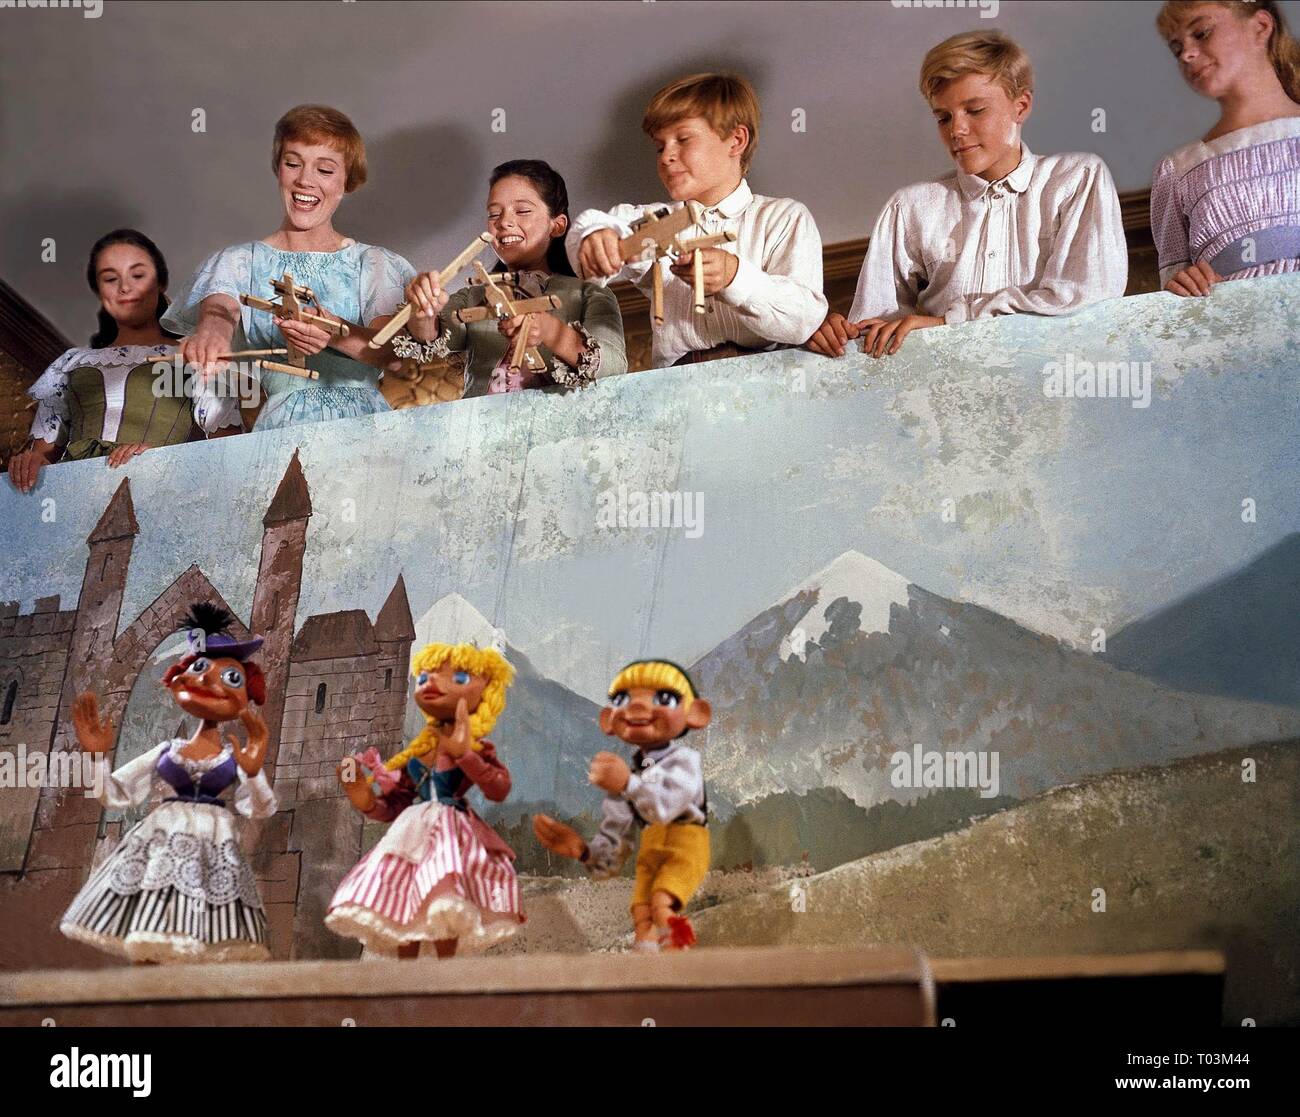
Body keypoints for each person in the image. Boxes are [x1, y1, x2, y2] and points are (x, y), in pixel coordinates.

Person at [810, 31, 1127, 359]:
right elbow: (875, 331)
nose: (955, 130)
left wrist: (950, 321)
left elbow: (1087, 301)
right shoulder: (910, 207)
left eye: (975, 110)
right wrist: (833, 330)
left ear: (1021, 106)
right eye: (943, 117)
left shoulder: (1077, 178)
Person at [162, 104, 415, 430]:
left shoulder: (375, 263)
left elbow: (393, 355)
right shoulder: (239, 261)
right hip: (281, 428)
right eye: (293, 164)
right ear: (278, 169)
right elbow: (218, 313)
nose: (305, 181)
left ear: (347, 181)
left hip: (367, 428)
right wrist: (211, 337)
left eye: (325, 170)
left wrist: (335, 334)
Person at [59, 603, 276, 964]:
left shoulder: (232, 757)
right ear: (179, 678)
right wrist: (97, 756)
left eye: (232, 678)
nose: (208, 680)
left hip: (212, 851)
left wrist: (252, 772)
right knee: (148, 935)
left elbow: (261, 808)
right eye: (200, 668)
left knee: (197, 942)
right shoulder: (167, 752)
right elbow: (113, 794)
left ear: (247, 696)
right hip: (159, 847)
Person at [567, 72, 827, 368]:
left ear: (736, 140)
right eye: (660, 146)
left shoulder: (784, 219)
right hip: (677, 391)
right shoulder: (657, 221)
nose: (666, 156)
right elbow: (597, 230)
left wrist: (736, 277)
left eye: (683, 139)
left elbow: (803, 319)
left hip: (767, 386)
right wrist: (598, 237)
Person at [328, 642, 523, 959]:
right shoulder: (417, 753)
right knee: (407, 906)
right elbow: (395, 804)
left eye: (457, 679)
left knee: (444, 905)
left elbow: (498, 788)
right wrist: (363, 797)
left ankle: (442, 979)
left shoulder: (474, 747)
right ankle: (410, 981)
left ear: (484, 690)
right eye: (424, 678)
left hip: (450, 833)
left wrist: (466, 756)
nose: (431, 684)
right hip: (411, 832)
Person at [7, 229, 235, 494]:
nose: (125, 287)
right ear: (99, 290)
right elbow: (43, 455)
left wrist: (165, 461)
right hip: (71, 494)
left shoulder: (190, 359)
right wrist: (31, 463)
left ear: (160, 283)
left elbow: (227, 452)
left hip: (153, 493)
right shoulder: (71, 363)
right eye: (110, 279)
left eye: (137, 275)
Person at [397, 159, 626, 396]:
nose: (504, 222)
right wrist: (423, 311)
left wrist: (550, 331)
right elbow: (433, 338)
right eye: (494, 214)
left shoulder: (589, 293)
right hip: (483, 427)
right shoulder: (473, 296)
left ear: (557, 225)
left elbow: (615, 366)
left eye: (523, 211)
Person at [533, 659, 712, 953]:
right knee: (642, 914)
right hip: (651, 846)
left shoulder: (684, 763)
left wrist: (628, 784)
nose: (638, 707)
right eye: (622, 699)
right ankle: (645, 975)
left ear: (695, 713)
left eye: (663, 698)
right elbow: (616, 842)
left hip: (687, 843)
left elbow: (666, 806)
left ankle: (681, 962)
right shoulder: (628, 778)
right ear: (608, 720)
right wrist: (583, 850)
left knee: (661, 904)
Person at [1151, 1, 1300, 297]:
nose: (1188, 54)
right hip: (1242, 334)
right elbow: (1173, 296)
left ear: (1260, 26)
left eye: (1202, 33)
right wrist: (1183, 286)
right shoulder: (1178, 171)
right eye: (1177, 48)